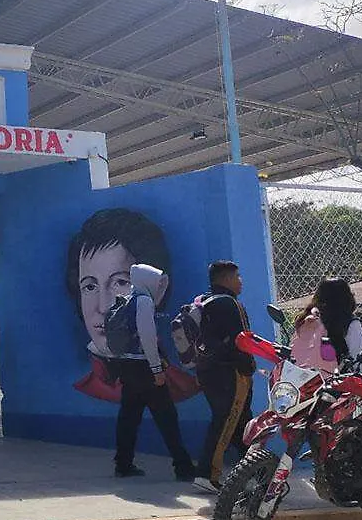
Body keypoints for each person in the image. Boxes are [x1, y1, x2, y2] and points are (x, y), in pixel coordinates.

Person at [67, 209, 199, 403]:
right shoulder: (83, 387)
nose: (103, 307)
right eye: (90, 286)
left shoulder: (183, 388)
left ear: (158, 288)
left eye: (120, 282)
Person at [109, 264, 196, 480]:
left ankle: (123, 464)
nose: (159, 287)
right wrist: (157, 369)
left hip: (127, 366)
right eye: (157, 282)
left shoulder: (128, 300)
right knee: (167, 417)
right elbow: (147, 337)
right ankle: (183, 467)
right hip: (145, 368)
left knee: (129, 418)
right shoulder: (144, 302)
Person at [193, 261, 255, 493]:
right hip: (230, 373)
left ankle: (252, 473)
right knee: (226, 421)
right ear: (227, 279)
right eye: (237, 276)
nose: (241, 281)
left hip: (207, 370)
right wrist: (248, 368)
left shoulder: (202, 301)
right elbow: (243, 341)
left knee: (242, 422)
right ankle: (207, 474)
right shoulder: (230, 303)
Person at [291, 278, 362, 371]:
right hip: (332, 377)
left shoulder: (306, 320)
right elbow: (360, 359)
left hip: (298, 375)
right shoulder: (350, 323)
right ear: (348, 298)